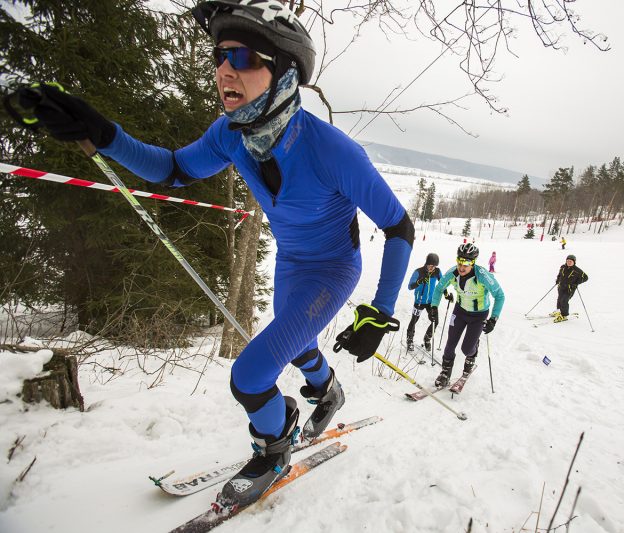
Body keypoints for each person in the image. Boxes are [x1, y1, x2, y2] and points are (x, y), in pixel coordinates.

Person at [16, 0, 413, 510]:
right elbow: (173, 169)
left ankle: (274, 448)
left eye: (245, 57)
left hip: (333, 269)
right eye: (220, 55)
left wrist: (379, 312)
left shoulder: (332, 150)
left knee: (249, 376)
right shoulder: (231, 135)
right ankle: (328, 390)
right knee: (295, 344)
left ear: (286, 74)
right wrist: (102, 132)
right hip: (293, 262)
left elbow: (399, 226)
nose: (226, 68)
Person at [429, 244, 505, 387]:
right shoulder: (453, 273)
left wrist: (494, 319)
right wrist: (433, 307)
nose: (462, 267)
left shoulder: (482, 275)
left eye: (467, 263)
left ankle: (473, 352)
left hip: (479, 315)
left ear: (473, 263)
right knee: (450, 344)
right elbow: (439, 289)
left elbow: (500, 296)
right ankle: (445, 372)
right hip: (460, 311)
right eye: (459, 262)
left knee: (467, 349)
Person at [406, 253, 448, 353]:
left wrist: (446, 293)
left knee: (435, 321)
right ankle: (409, 340)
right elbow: (410, 286)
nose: (432, 268)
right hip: (419, 301)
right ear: (426, 264)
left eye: (434, 266)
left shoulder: (437, 272)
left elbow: (442, 283)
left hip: (431, 302)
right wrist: (419, 282)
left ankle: (427, 339)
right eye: (430, 265)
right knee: (414, 320)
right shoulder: (418, 272)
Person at [552, 254, 588, 322]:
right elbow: (559, 275)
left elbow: (586, 278)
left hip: (569, 289)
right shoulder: (563, 267)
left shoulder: (577, 270)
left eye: (570, 261)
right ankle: (558, 311)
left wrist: (576, 282)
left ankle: (564, 315)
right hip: (561, 287)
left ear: (574, 262)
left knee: (564, 300)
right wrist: (558, 280)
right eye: (567, 261)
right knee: (559, 299)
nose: (569, 262)